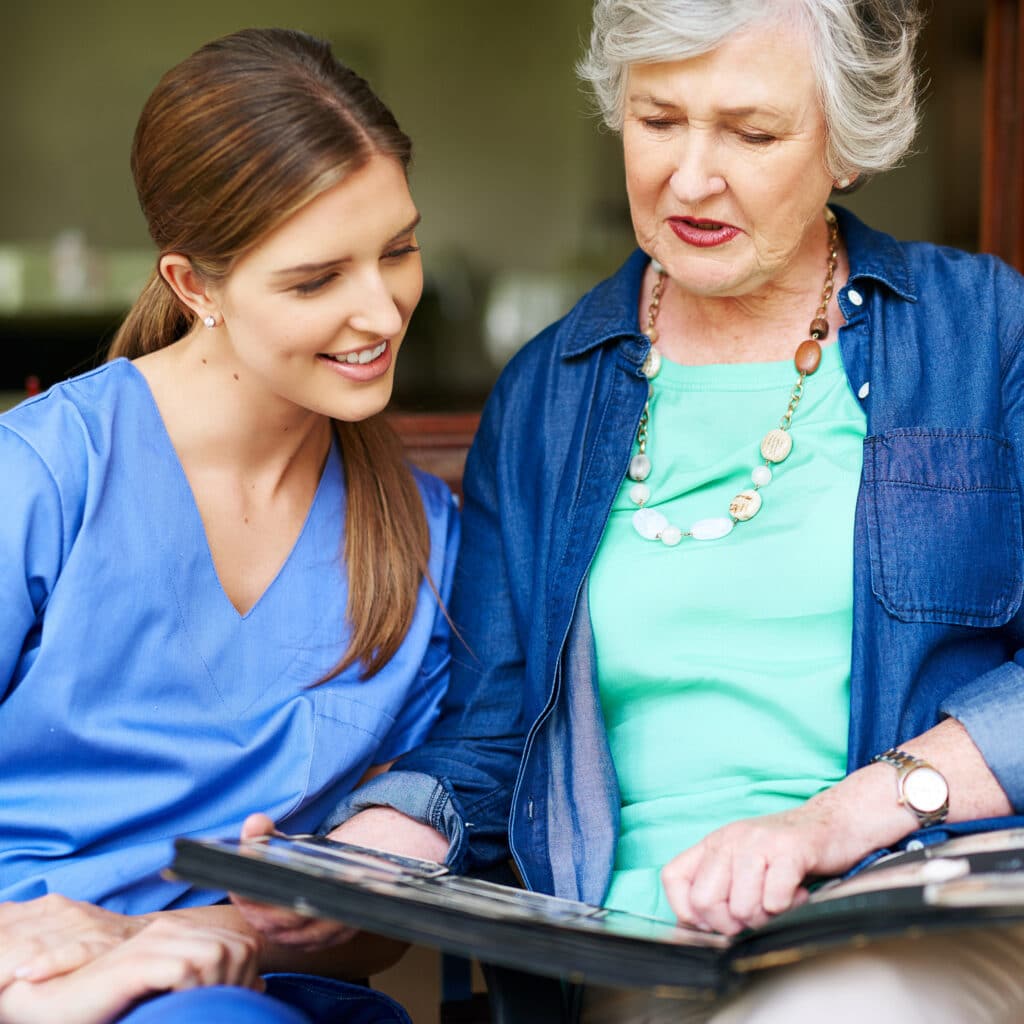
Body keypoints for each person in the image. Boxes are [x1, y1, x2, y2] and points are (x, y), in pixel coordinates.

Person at [237, 1, 1024, 1021]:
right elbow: (488, 738)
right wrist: (360, 861)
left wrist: (835, 823)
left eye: (751, 133)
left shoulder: (980, 334)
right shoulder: (549, 393)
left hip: (908, 911)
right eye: (658, 121)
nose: (690, 177)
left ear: (845, 147)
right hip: (639, 951)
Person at [0, 27, 459, 1024]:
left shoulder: (422, 537)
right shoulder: (41, 479)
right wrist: (67, 969)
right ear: (192, 286)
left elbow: (380, 939)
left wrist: (306, 918)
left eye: (398, 250)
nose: (381, 312)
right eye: (314, 279)